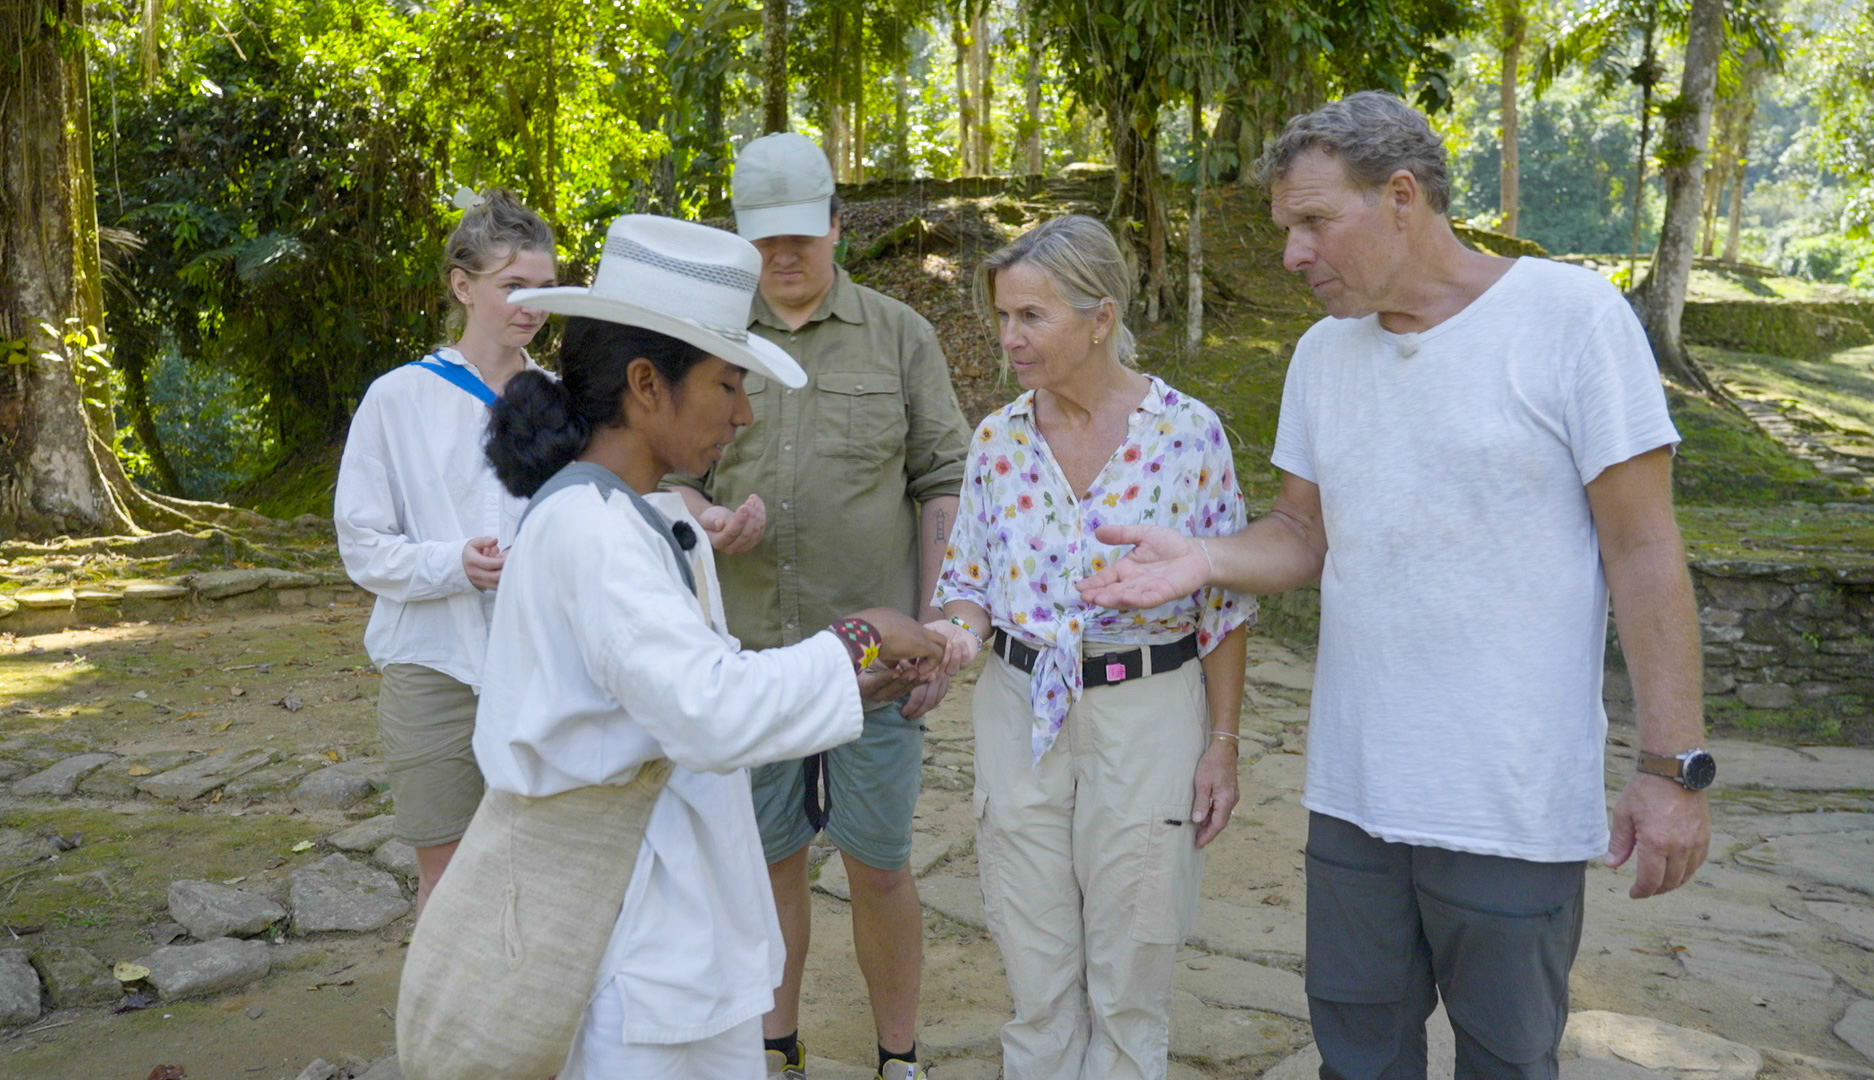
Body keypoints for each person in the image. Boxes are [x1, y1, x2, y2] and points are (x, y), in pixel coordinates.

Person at [1078, 92, 1714, 1080]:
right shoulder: (1324, 356)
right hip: (1355, 798)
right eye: (1287, 227)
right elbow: (1300, 533)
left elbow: (1643, 548)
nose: (1292, 252)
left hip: (1509, 804)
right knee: (1357, 1057)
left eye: (1314, 222)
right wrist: (1204, 559)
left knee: (1508, 1061)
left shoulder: (1570, 317)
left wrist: (1671, 769)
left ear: (1403, 196)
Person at [473, 214, 945, 1079]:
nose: (744, 412)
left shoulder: (635, 519)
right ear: (648, 385)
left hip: (667, 930)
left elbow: (696, 687)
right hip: (639, 955)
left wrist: (857, 681)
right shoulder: (596, 533)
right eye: (728, 384)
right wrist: (861, 636)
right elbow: (710, 712)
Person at [662, 132, 970, 1080]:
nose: (784, 256)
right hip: (747, 661)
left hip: (878, 666)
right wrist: (704, 513)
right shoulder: (709, 340)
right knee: (767, 866)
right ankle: (776, 1048)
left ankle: (898, 1058)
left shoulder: (899, 334)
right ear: (741, 238)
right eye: (764, 240)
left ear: (837, 225)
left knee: (880, 865)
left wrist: (937, 627)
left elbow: (944, 480)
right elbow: (661, 474)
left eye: (802, 234)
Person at [924, 214, 1254, 1080]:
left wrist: (1221, 744)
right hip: (1017, 708)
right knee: (1035, 973)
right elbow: (968, 579)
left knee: (1132, 969)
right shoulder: (997, 439)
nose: (1008, 338)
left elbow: (1223, 607)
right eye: (1002, 316)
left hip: (1148, 710)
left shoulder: (1189, 436)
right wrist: (957, 633)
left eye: (1031, 317)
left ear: (1100, 316)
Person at [333, 188, 558, 912]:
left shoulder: (559, 403)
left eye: (546, 289)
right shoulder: (397, 399)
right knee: (449, 875)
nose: (531, 305)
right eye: (512, 286)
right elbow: (362, 544)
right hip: (432, 667)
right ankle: (443, 1027)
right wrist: (452, 564)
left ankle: (527, 1023)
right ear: (463, 286)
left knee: (540, 867)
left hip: (541, 668)